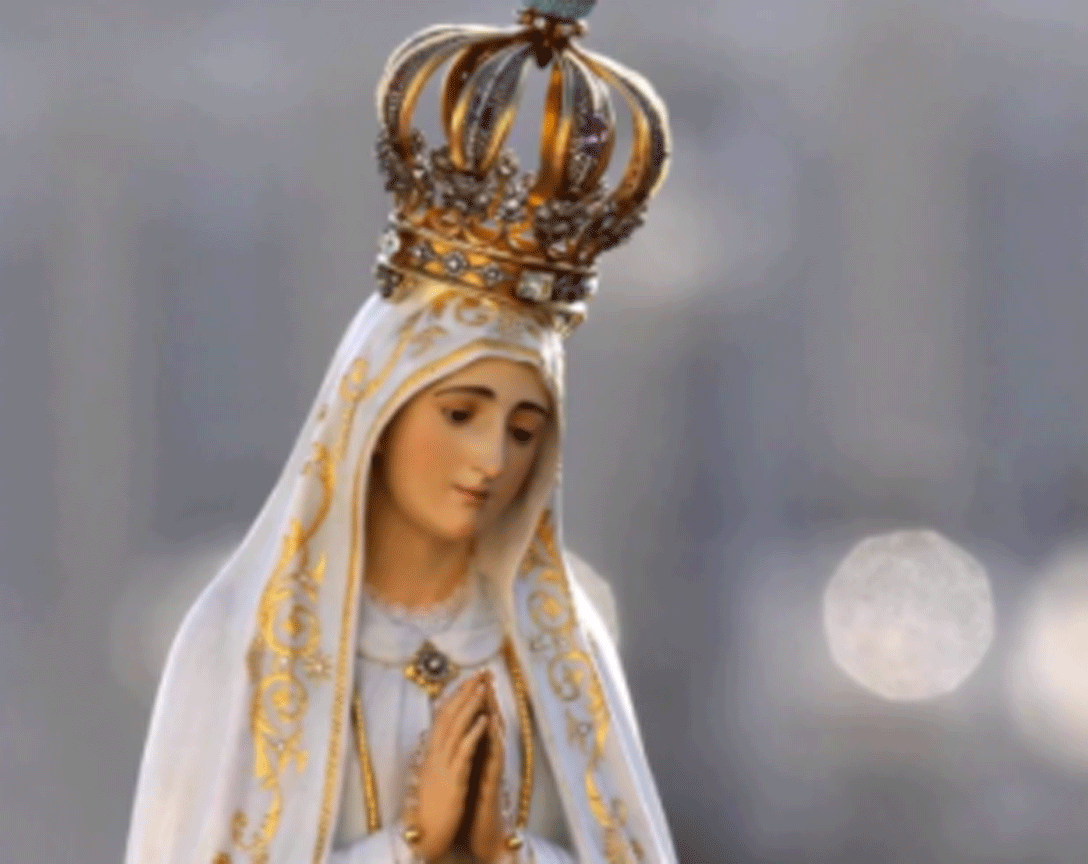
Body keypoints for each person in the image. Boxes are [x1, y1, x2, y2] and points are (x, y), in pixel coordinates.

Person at [123, 2, 676, 862]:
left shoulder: (561, 649)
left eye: (525, 429)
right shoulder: (241, 643)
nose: (492, 459)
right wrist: (408, 844)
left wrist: (507, 854)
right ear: (375, 414)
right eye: (460, 414)